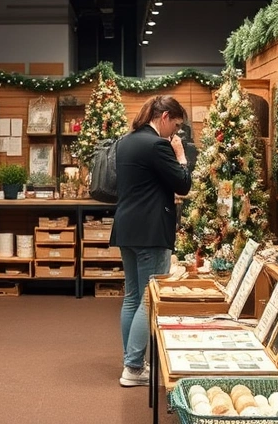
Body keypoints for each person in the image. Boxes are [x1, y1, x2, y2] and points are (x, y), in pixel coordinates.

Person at [111, 95, 192, 386]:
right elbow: (183, 184)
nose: (176, 133)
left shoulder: (126, 141)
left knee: (133, 296)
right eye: (176, 125)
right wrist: (181, 156)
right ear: (165, 116)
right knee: (149, 299)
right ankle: (133, 368)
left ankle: (131, 362)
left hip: (127, 229)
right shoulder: (158, 145)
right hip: (151, 232)